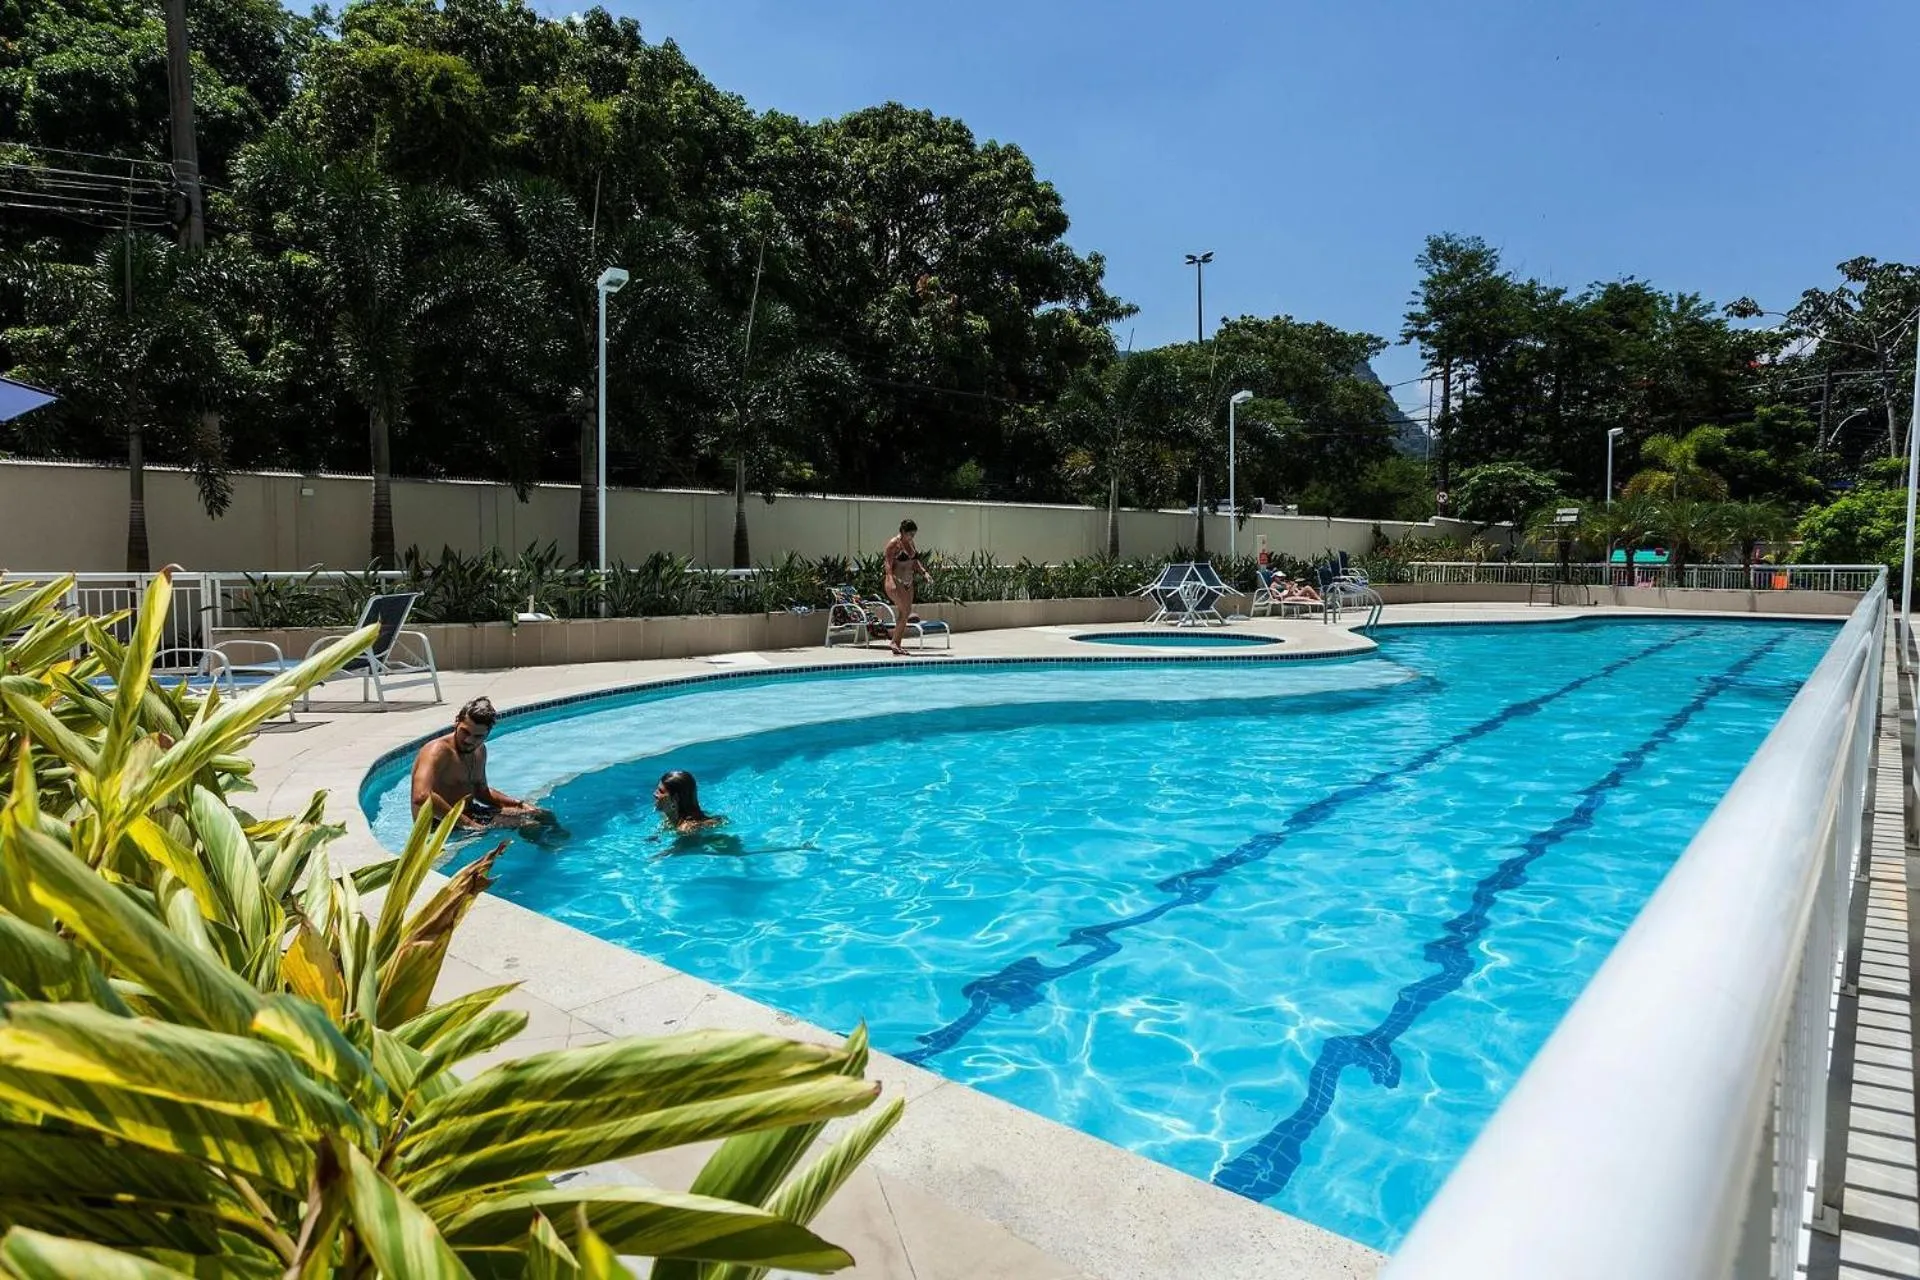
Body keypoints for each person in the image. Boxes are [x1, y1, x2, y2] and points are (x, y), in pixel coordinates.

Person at [410, 697, 559, 837]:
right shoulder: (438, 751)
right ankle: (542, 857)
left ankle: (559, 854)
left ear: (487, 734)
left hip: (470, 813)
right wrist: (469, 824)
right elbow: (421, 796)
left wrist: (519, 804)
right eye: (465, 732)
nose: (469, 740)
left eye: (478, 737)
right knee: (528, 824)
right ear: (457, 722)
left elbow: (481, 791)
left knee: (542, 814)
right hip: (439, 822)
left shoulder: (480, 750)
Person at [881, 518, 933, 656]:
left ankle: (897, 643)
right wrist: (890, 580)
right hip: (895, 581)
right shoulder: (894, 544)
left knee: (905, 613)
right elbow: (887, 563)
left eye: (914, 535)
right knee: (905, 612)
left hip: (908, 583)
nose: (912, 537)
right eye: (910, 534)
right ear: (903, 531)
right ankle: (894, 642)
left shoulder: (910, 543)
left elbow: (915, 562)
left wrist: (924, 573)